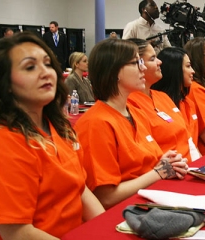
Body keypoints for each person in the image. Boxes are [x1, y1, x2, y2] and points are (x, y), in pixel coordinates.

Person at [0, 32, 104, 239]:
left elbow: (80, 190)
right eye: (30, 67)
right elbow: (16, 232)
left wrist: (106, 230)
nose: (46, 73)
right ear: (5, 83)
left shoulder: (59, 127)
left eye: (47, 64)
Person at [74, 38, 188, 209]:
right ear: (114, 72)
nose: (143, 68)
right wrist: (159, 172)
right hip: (125, 212)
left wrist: (168, 162)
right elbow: (106, 197)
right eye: (136, 63)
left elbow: (148, 165)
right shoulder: (95, 124)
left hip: (151, 201)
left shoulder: (136, 113)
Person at [127, 39, 195, 161]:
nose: (160, 62)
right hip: (168, 171)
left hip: (187, 166)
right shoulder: (129, 104)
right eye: (152, 59)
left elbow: (187, 139)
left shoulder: (163, 97)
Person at [151, 47, 201, 161]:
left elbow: (192, 143)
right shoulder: (160, 102)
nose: (193, 71)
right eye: (188, 66)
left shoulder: (188, 103)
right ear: (174, 70)